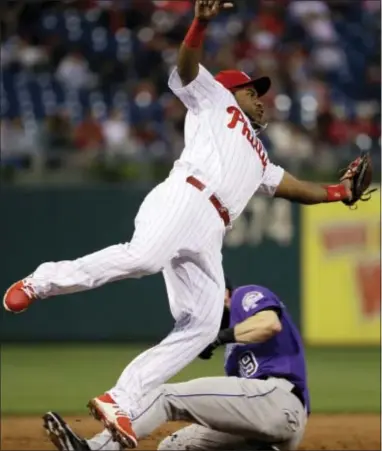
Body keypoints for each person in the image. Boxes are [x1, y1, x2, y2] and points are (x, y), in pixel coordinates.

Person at [5, 0, 351, 448]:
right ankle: (42, 281)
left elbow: (298, 187)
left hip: (212, 229)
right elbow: (186, 68)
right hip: (186, 194)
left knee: (204, 324)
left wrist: (340, 192)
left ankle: (122, 399)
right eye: (252, 91)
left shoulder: (261, 158)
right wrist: (199, 23)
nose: (259, 99)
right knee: (144, 256)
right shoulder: (215, 99)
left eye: (258, 93)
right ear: (233, 92)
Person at [43, 278, 309, 451]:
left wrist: (220, 337)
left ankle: (95, 449)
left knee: (165, 396)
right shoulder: (233, 355)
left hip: (279, 401)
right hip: (269, 429)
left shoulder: (243, 296)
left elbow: (269, 324)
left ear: (221, 294)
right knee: (174, 446)